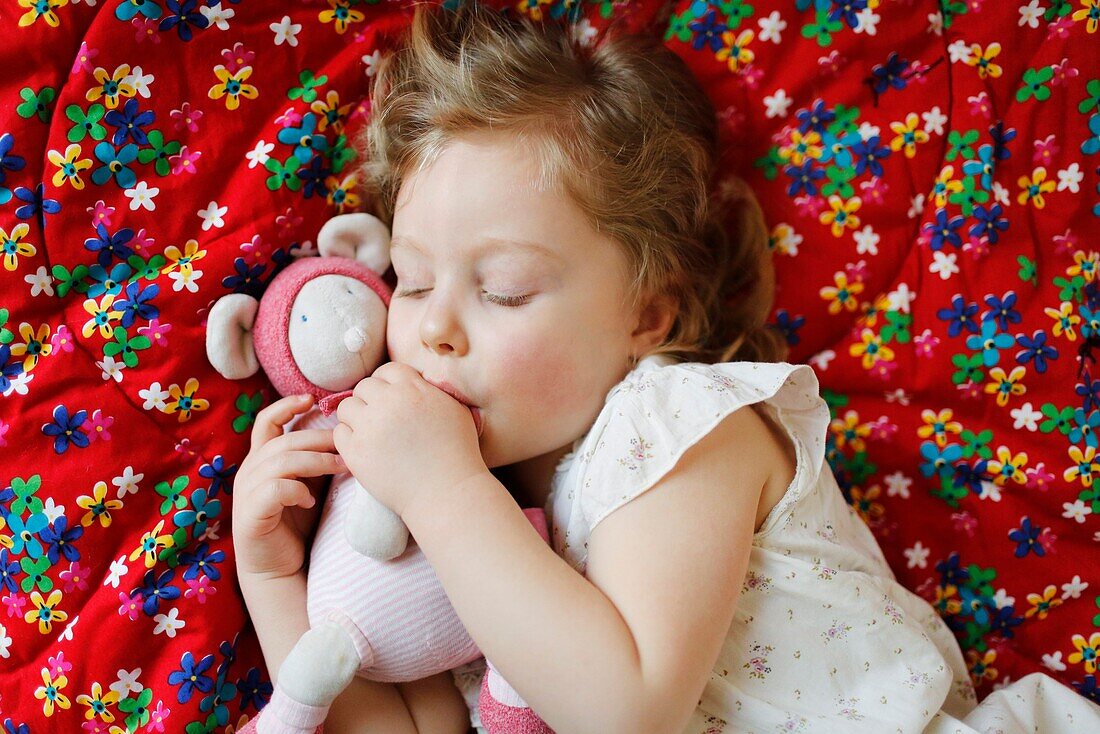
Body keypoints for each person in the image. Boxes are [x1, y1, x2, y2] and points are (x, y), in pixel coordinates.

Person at [230, 2, 1100, 733]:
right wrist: (278, 578)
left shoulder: (679, 426)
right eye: (412, 281)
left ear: (649, 314)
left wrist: (442, 493)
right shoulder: (472, 527)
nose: (435, 330)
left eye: (502, 290)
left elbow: (625, 709)